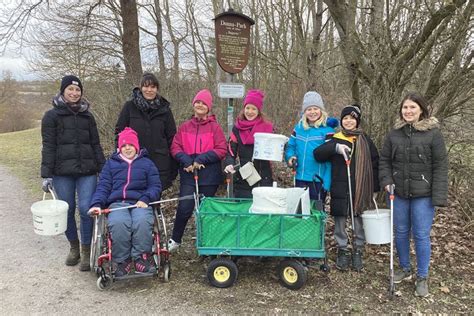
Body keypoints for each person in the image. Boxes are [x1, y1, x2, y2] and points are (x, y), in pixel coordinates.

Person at [379, 93, 448, 297]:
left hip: (423, 195)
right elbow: (384, 161)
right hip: (398, 193)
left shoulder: (433, 134)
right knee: (400, 232)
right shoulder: (394, 134)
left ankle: (422, 276)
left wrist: (438, 197)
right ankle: (404, 267)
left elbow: (440, 166)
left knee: (420, 234)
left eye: (412, 108)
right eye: (405, 108)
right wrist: (387, 181)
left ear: (421, 110)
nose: (408, 111)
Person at [40, 75, 105, 271]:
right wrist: (47, 174)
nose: (74, 93)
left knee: (87, 209)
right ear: (63, 92)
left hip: (87, 170)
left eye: (77, 90)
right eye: (70, 90)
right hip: (62, 172)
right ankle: (74, 247)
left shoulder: (88, 116)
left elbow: (95, 144)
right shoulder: (51, 117)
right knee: (66, 210)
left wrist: (104, 169)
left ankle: (86, 250)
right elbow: (48, 146)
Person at [314, 104, 379, 272]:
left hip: (360, 188)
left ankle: (357, 249)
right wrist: (335, 148)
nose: (349, 121)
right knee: (340, 221)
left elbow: (375, 164)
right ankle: (342, 249)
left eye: (352, 119)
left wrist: (375, 188)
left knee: (358, 221)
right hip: (340, 186)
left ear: (357, 121)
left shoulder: (365, 140)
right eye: (345, 118)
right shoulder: (335, 138)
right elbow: (318, 154)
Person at [88, 128, 162, 277]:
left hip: (140, 203)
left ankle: (142, 258)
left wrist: (146, 198)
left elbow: (155, 186)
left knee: (141, 221)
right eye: (124, 145)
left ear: (137, 146)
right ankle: (122, 260)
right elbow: (103, 187)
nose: (127, 148)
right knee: (119, 223)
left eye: (131, 145)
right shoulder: (110, 165)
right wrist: (96, 204)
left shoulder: (147, 164)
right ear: (119, 148)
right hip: (117, 204)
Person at [168, 89, 227, 252]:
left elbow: (222, 148)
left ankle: (207, 241)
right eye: (198, 102)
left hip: (209, 174)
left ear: (209, 107)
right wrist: (185, 160)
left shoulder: (215, 127)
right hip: (188, 173)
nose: (200, 105)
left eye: (204, 103)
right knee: (184, 207)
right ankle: (175, 240)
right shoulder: (185, 126)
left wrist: (202, 159)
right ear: (194, 105)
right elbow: (175, 146)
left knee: (206, 209)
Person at [115, 72, 177, 191]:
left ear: (157, 89)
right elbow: (119, 133)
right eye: (146, 86)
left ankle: (156, 210)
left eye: (153, 87)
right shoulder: (129, 107)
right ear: (140, 87)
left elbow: (172, 137)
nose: (149, 90)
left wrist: (173, 165)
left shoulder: (165, 109)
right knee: (138, 195)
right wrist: (120, 157)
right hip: (135, 160)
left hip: (160, 161)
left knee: (156, 194)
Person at [285, 91, 337, 203]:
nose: (312, 112)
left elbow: (331, 159)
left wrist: (327, 182)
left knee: (315, 214)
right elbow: (291, 147)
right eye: (309, 109)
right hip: (299, 178)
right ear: (304, 112)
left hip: (318, 180)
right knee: (300, 213)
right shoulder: (298, 128)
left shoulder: (328, 131)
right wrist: (290, 158)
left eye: (315, 109)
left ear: (321, 110)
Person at [223, 89, 274, 198]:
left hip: (264, 177)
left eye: (253, 109)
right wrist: (229, 163)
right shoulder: (237, 128)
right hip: (244, 176)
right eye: (247, 108)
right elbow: (231, 150)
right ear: (244, 108)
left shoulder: (267, 127)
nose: (250, 112)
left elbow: (274, 149)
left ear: (258, 110)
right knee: (244, 209)